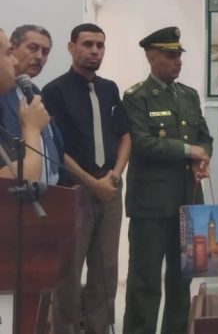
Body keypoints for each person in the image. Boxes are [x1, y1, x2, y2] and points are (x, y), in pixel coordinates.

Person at [122, 26, 213, 334]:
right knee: (145, 279)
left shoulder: (189, 95)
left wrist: (202, 156)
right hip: (151, 204)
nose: (178, 61)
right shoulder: (136, 97)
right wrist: (188, 150)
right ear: (151, 57)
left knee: (182, 279)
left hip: (189, 199)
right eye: (171, 55)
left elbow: (204, 137)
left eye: (179, 55)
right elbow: (141, 142)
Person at [42, 23, 131, 334]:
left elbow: (125, 136)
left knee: (106, 270)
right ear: (72, 48)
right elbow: (55, 147)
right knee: (68, 273)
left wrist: (115, 175)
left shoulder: (109, 89)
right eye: (88, 44)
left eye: (100, 45)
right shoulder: (54, 91)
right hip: (73, 191)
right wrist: (92, 183)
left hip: (110, 188)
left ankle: (99, 329)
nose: (95, 51)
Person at [0, 24, 63, 185]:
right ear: (13, 48)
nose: (39, 57)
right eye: (33, 48)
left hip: (51, 191)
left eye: (45, 52)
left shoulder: (34, 92)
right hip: (15, 192)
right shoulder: (3, 94)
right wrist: (32, 129)